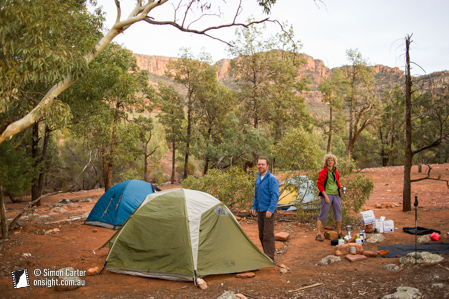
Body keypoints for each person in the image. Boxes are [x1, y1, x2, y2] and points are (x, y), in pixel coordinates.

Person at [252, 157, 279, 261]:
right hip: (260, 210)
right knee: (261, 234)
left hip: (268, 211)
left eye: (263, 164)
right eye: (259, 164)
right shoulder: (258, 178)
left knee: (268, 235)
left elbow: (275, 195)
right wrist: (254, 206)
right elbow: (256, 195)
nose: (260, 166)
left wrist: (271, 209)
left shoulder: (272, 179)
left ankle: (270, 258)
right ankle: (266, 255)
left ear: (267, 166)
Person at [316, 153, 343, 242]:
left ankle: (339, 232)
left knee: (338, 213)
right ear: (326, 162)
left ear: (334, 162)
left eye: (332, 160)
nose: (330, 162)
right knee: (323, 214)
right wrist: (325, 196)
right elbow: (319, 184)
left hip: (336, 194)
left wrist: (340, 186)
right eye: (329, 160)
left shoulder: (335, 171)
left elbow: (337, 182)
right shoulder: (323, 172)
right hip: (327, 194)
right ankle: (318, 234)